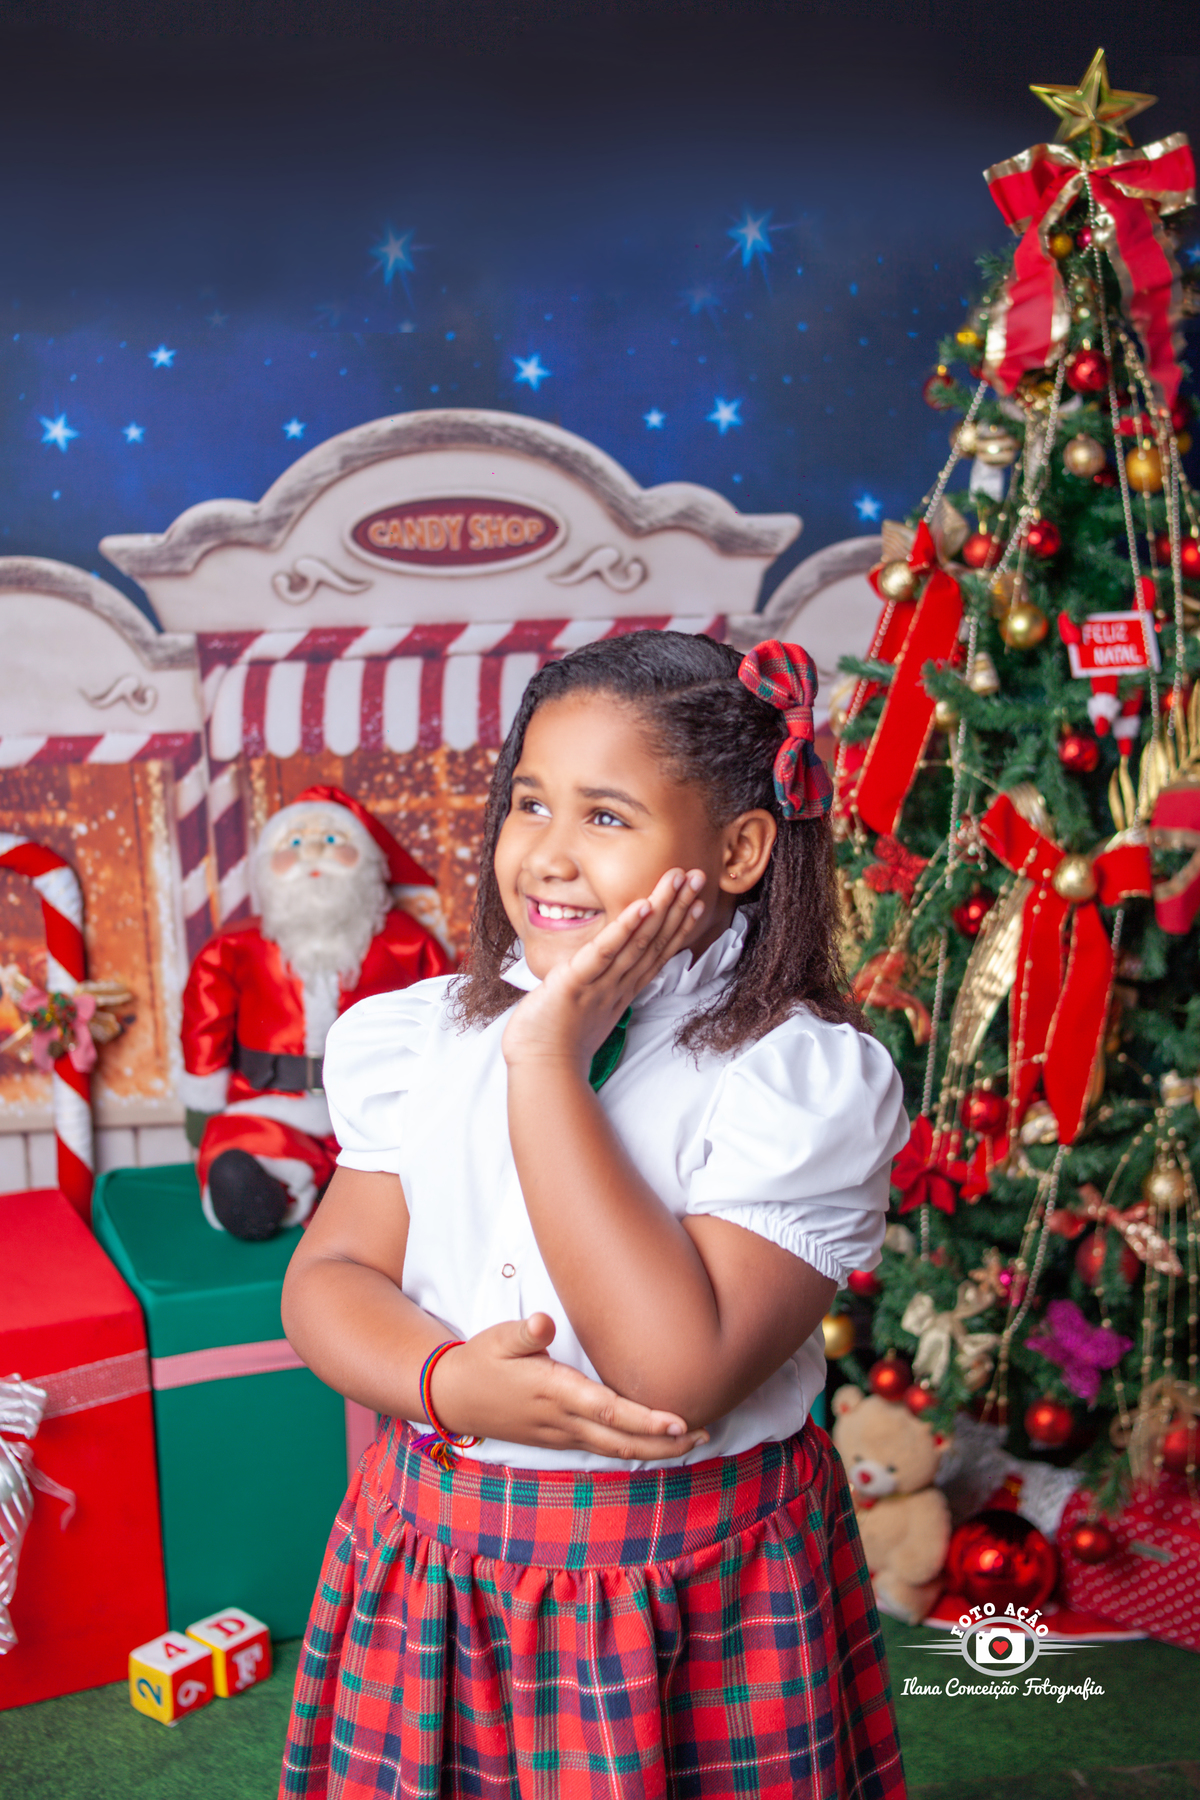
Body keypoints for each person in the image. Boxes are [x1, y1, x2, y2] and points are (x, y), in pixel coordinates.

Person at [279, 632, 909, 1799]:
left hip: (687, 1582)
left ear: (738, 849)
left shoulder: (792, 1076)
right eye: (531, 804)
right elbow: (329, 1279)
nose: (550, 855)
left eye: (607, 816)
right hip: (440, 1555)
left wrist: (549, 1065)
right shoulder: (421, 1037)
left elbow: (676, 1376)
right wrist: (444, 1383)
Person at [180, 785, 453, 1240]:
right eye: (293, 844)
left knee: (410, 1163)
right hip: (271, 1105)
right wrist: (200, 1098)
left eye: (330, 841)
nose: (311, 856)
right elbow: (204, 1023)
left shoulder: (410, 944)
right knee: (238, 1145)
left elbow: (447, 1020)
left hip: (378, 1108)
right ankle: (260, 1194)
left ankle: (359, 1198)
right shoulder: (234, 947)